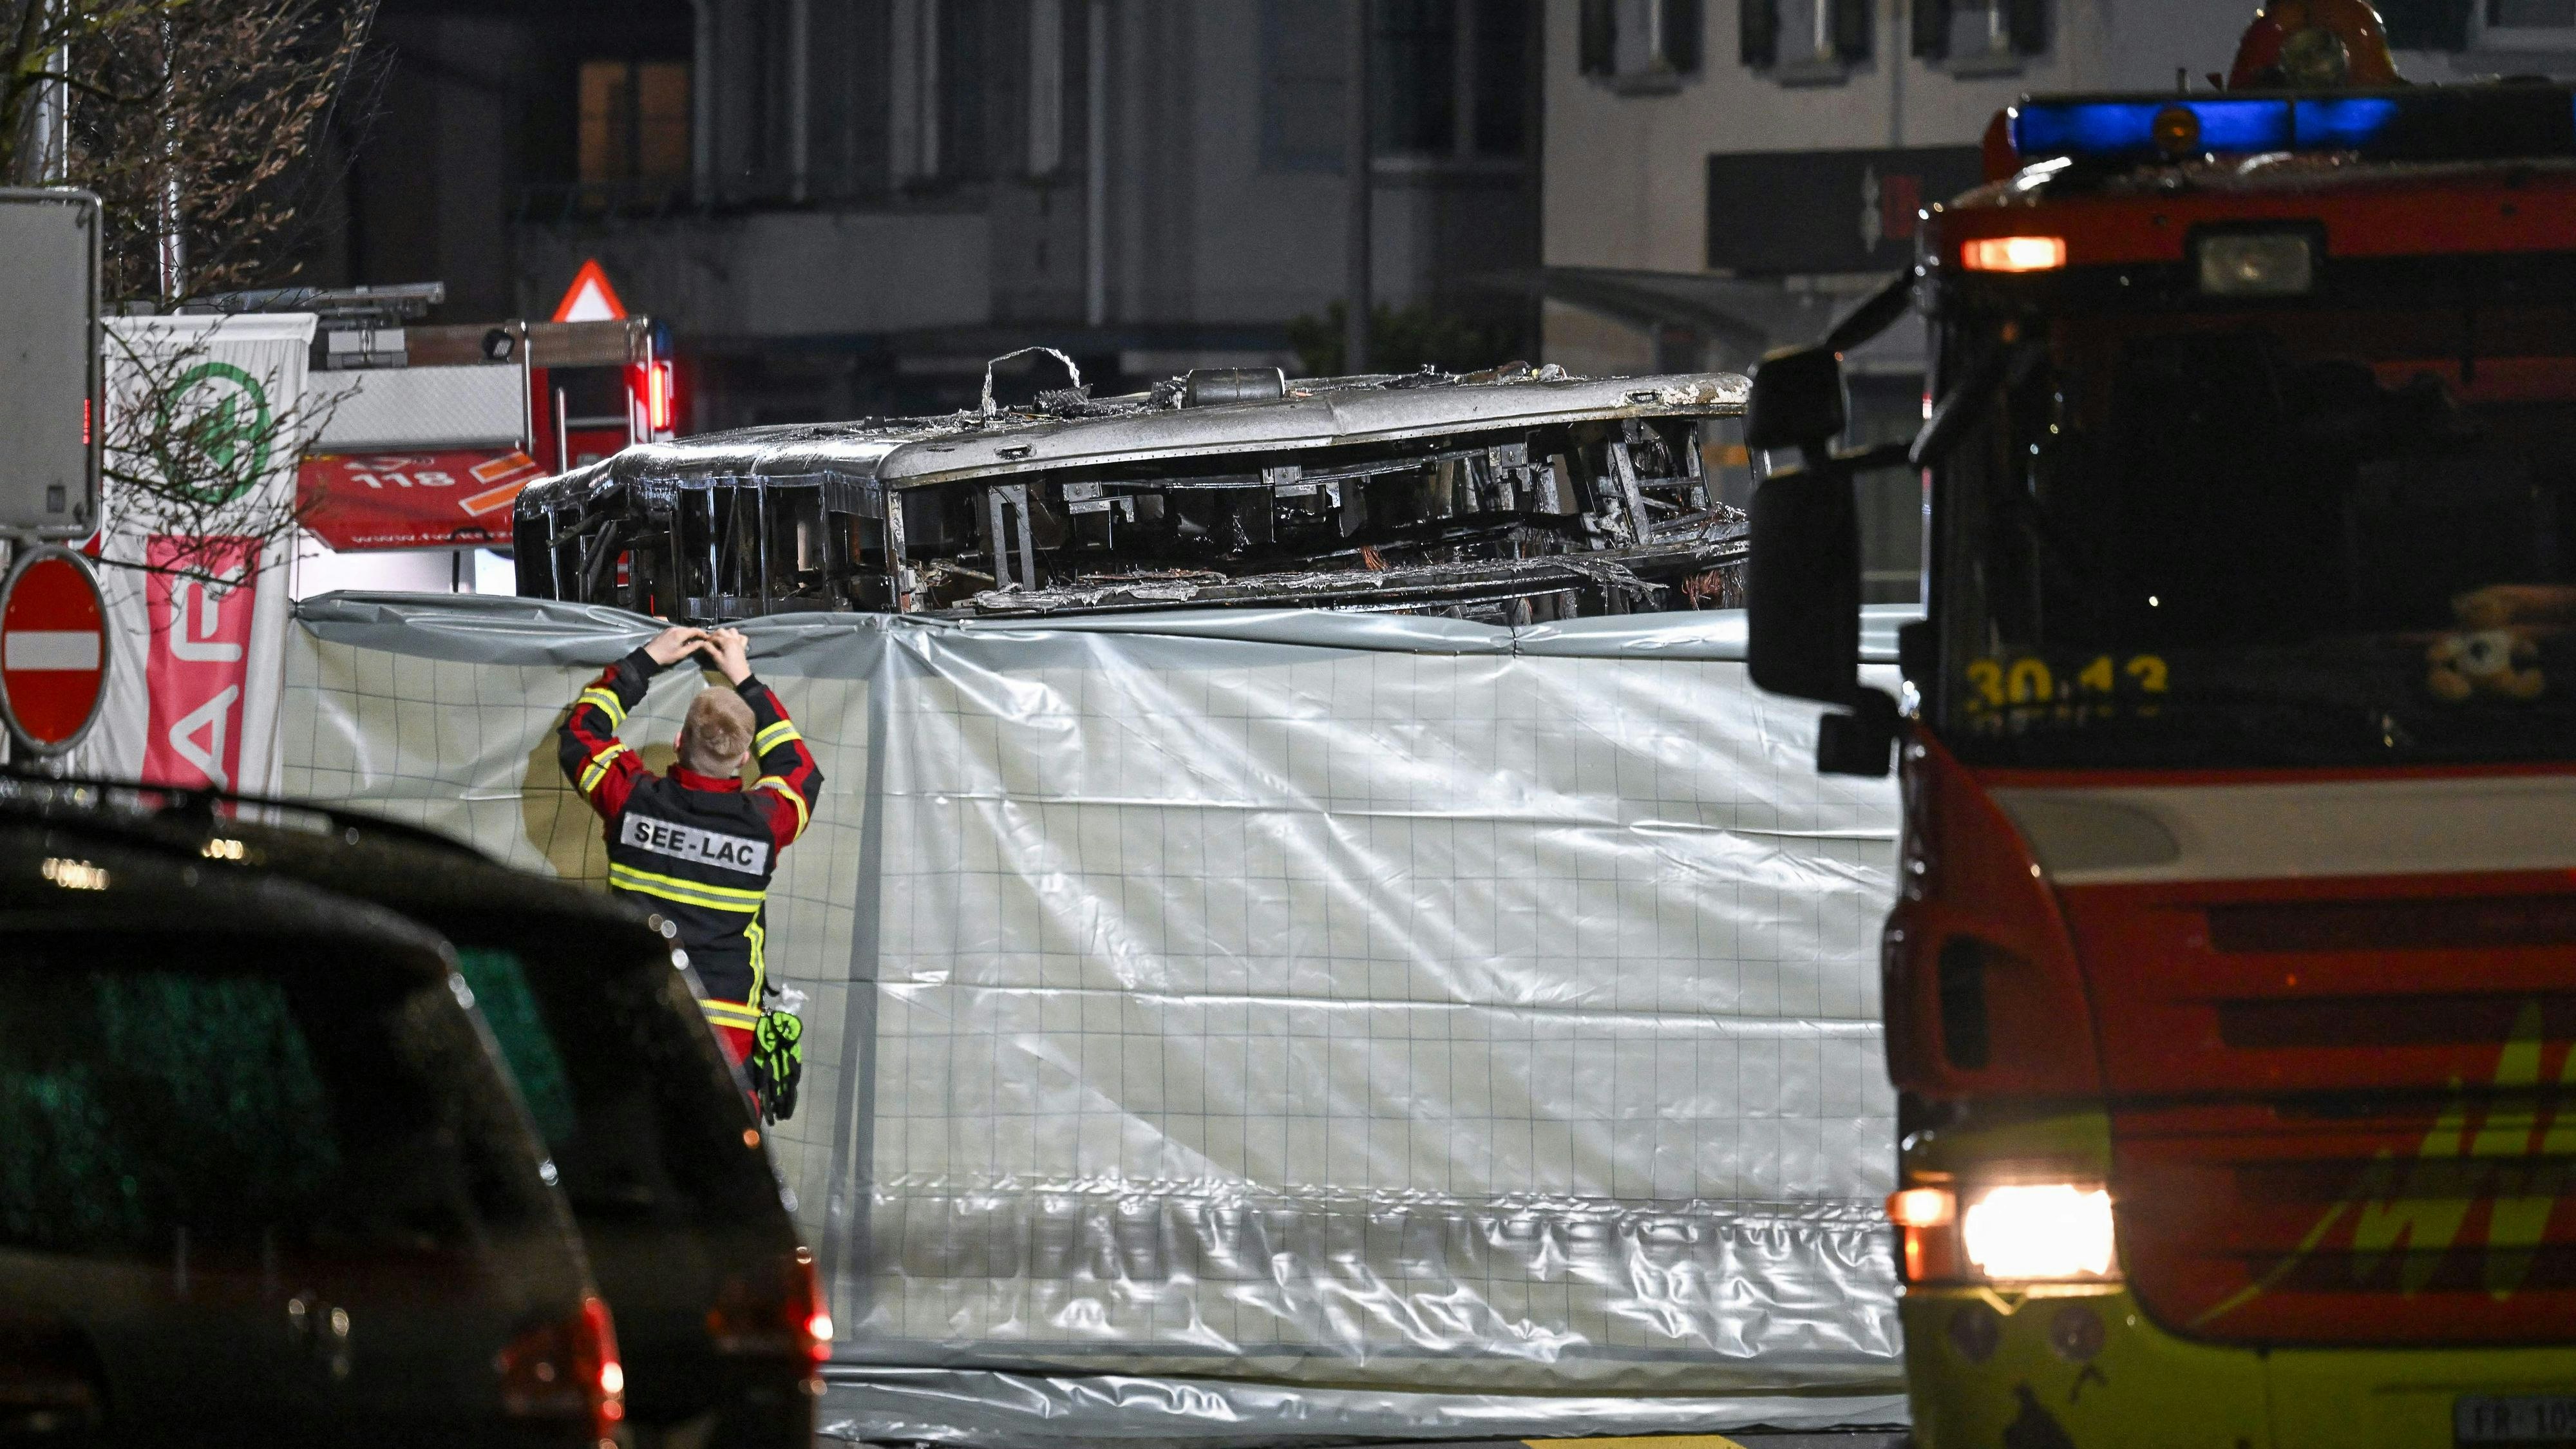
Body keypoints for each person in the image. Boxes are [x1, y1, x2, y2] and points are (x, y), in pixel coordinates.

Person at [558, 625, 823, 1072]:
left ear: (680, 743)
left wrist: (646, 660)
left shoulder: (629, 799)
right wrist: (743, 675)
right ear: (743, 758)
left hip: (636, 1013)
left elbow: (581, 731)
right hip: (730, 1036)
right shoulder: (766, 822)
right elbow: (798, 768)